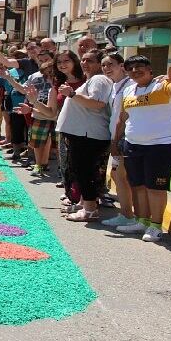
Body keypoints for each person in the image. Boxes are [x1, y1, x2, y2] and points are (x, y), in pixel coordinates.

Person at [112, 57, 171, 242]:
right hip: (133, 145)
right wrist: (115, 141)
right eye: (131, 68)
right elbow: (123, 117)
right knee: (138, 186)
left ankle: (156, 226)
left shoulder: (163, 84)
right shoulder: (129, 89)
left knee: (155, 187)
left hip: (162, 145)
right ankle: (142, 221)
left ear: (150, 69)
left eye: (140, 67)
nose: (135, 70)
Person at [41, 50, 113, 222]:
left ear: (98, 64)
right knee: (80, 171)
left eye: (90, 60)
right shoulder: (91, 80)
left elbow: (97, 104)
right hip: (80, 134)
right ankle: (84, 204)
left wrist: (72, 94)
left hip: (88, 134)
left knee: (85, 171)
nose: (85, 63)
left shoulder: (99, 79)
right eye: (83, 59)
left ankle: (90, 210)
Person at [100, 52, 137, 228]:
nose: (107, 68)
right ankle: (128, 213)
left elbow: (125, 115)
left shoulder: (130, 85)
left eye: (110, 64)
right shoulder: (114, 86)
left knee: (121, 176)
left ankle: (128, 215)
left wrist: (117, 140)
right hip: (115, 136)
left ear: (122, 66)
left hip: (124, 137)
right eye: (104, 65)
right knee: (118, 175)